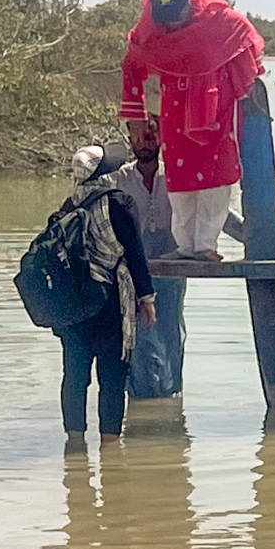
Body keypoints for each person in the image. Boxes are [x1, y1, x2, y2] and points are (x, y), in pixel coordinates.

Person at [117, 0, 266, 261]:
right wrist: (137, 116)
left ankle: (206, 244)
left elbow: (245, 43)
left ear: (189, 4)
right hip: (174, 110)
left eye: (176, 16)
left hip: (217, 110)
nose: (171, 25)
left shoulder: (218, 20)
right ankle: (185, 246)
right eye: (166, 19)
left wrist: (243, 86)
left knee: (217, 175)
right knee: (178, 175)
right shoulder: (151, 28)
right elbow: (132, 62)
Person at [54, 145, 157, 447]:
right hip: (111, 302)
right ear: (104, 174)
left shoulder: (67, 207)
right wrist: (146, 298)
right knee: (112, 378)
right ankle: (111, 447)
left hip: (73, 305)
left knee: (74, 376)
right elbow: (135, 254)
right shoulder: (120, 203)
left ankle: (74, 444)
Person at [106, 119, 186, 399]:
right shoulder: (119, 179)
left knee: (171, 335)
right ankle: (140, 399)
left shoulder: (178, 175)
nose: (144, 141)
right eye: (137, 135)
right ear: (129, 137)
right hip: (132, 273)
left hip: (171, 269)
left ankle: (171, 397)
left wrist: (250, 236)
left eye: (151, 134)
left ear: (163, 136)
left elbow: (210, 213)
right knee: (136, 340)